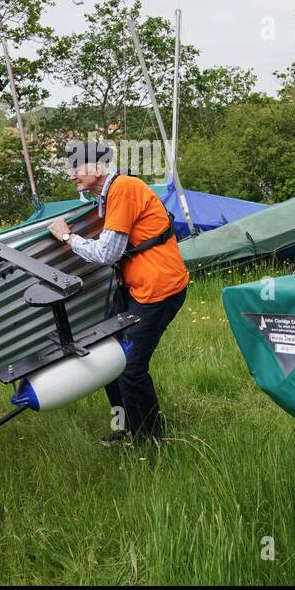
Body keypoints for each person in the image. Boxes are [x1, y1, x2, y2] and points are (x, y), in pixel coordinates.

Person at [49, 140, 188, 444]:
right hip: (136, 287)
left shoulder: (123, 188)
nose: (71, 175)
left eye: (76, 168)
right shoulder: (107, 194)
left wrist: (67, 237)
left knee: (130, 368)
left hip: (159, 290)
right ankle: (124, 425)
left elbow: (108, 253)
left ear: (98, 168)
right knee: (105, 356)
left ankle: (151, 441)